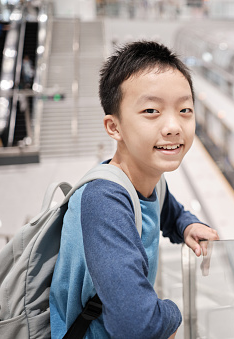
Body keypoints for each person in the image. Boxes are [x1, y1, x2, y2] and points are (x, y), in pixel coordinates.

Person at [49, 41, 219, 338]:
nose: (173, 126)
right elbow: (137, 326)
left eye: (185, 109)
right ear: (114, 127)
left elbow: (168, 210)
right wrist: (174, 312)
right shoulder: (104, 202)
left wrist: (187, 225)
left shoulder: (149, 178)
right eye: (152, 110)